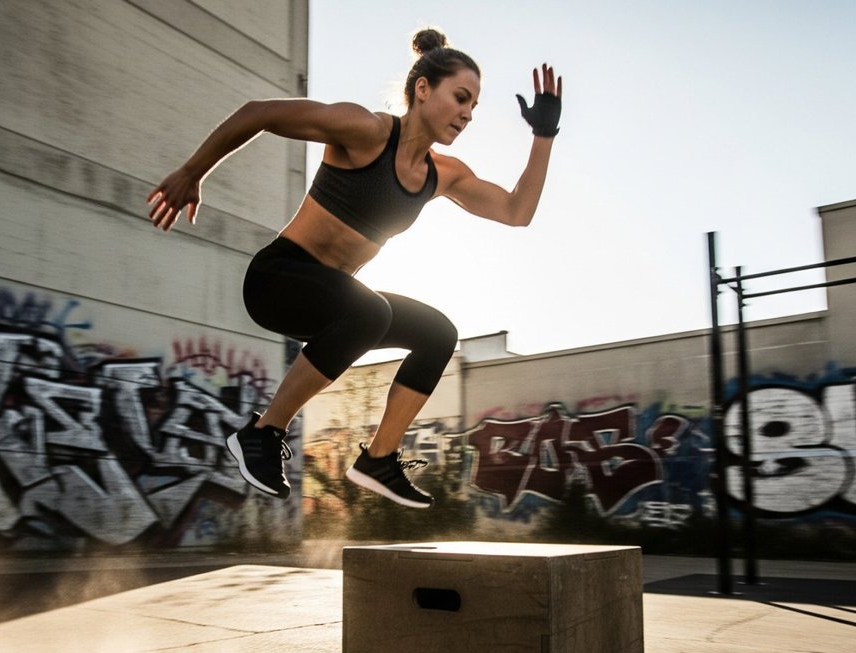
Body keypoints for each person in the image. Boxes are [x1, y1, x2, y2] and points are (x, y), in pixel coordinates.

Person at [148, 28, 561, 508]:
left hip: (333, 300)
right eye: (461, 98)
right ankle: (262, 432)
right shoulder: (364, 131)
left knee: (437, 333)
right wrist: (192, 172)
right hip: (277, 279)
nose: (468, 114)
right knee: (371, 313)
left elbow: (516, 211)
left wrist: (543, 135)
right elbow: (258, 113)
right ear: (423, 89)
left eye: (474, 107)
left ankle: (379, 459)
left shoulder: (443, 174)